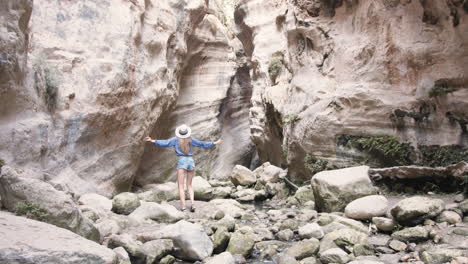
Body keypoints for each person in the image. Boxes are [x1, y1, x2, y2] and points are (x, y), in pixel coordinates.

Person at [145, 124, 222, 212]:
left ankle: (183, 207)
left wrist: (152, 140)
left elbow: (165, 143)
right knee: (189, 185)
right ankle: (193, 205)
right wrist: (214, 143)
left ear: (179, 133)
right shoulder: (191, 139)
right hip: (190, 161)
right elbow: (202, 144)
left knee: (181, 186)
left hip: (182, 161)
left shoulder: (175, 140)